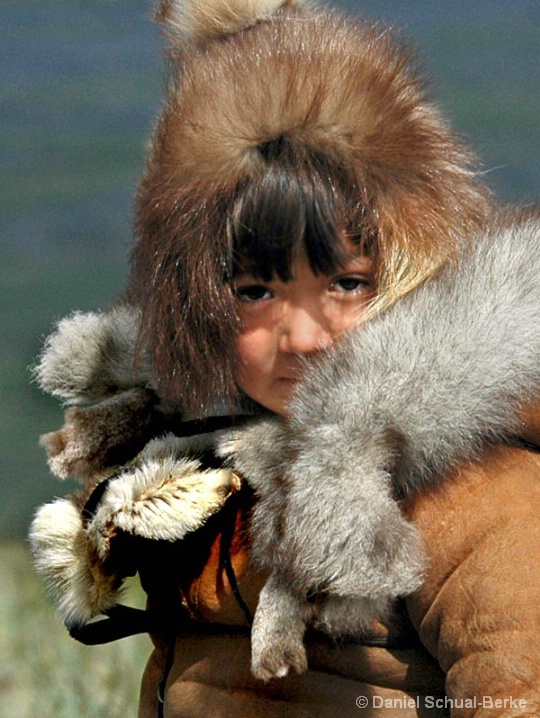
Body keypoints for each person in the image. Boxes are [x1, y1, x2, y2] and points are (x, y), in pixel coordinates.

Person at [30, 1, 540, 716]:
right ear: (196, 305)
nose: (302, 334)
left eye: (347, 283)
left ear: (411, 268)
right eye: (256, 290)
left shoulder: (469, 488)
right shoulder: (210, 461)